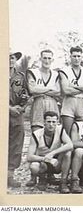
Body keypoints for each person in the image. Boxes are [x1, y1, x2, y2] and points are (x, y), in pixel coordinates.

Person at [27, 111, 73, 193]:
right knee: (34, 167)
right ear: (44, 122)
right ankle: (42, 178)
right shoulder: (36, 134)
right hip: (42, 162)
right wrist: (45, 159)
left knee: (68, 153)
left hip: (56, 161)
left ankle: (63, 182)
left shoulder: (60, 130)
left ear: (57, 122)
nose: (51, 124)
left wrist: (53, 153)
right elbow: (29, 157)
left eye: (53, 122)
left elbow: (70, 145)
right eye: (48, 122)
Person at [59, 46, 83, 135]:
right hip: (69, 103)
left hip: (82, 102)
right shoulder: (64, 71)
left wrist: (74, 86)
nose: (76, 58)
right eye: (74, 56)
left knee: (80, 133)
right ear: (70, 57)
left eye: (79, 56)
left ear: (82, 57)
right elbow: (66, 90)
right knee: (67, 133)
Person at [8, 51, 29, 188]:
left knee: (16, 144)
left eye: (12, 58)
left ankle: (9, 176)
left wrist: (21, 107)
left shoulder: (20, 77)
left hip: (17, 115)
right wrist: (8, 108)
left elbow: (27, 94)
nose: (9, 60)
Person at [27, 49, 60, 132]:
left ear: (52, 60)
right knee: (37, 131)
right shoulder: (33, 72)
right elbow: (32, 89)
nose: (47, 61)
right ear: (40, 59)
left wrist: (40, 90)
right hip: (38, 102)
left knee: (53, 132)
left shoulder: (56, 74)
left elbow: (58, 92)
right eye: (44, 58)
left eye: (49, 58)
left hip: (52, 103)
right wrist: (50, 88)